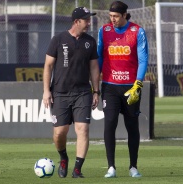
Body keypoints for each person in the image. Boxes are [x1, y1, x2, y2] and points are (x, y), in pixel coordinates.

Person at [42, 7, 100, 178]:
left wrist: (96, 91)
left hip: (83, 92)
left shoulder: (90, 41)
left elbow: (94, 67)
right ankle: (63, 157)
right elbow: (48, 66)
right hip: (60, 93)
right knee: (60, 132)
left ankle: (77, 169)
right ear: (76, 22)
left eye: (89, 20)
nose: (89, 23)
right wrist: (46, 91)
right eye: (86, 20)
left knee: (83, 129)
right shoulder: (58, 39)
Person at [97, 1, 149, 178]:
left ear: (125, 15)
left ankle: (133, 167)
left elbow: (143, 60)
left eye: (116, 16)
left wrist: (138, 84)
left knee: (132, 126)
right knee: (109, 123)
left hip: (130, 87)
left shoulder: (137, 31)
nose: (113, 20)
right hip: (110, 87)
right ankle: (111, 167)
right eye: (111, 16)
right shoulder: (104, 31)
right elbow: (98, 59)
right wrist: (95, 83)